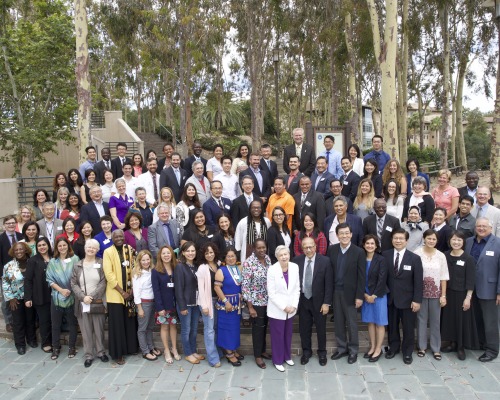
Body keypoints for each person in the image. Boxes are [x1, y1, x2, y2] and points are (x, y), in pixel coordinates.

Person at [383, 228, 423, 365]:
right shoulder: (385, 255)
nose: (398, 241)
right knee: (392, 326)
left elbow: (418, 281)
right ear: (392, 240)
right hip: (390, 299)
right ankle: (393, 348)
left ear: (406, 241)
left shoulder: (415, 258)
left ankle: (407, 352)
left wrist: (417, 300)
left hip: (408, 300)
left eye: (401, 239)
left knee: (408, 327)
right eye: (395, 238)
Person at [328, 223, 366, 364]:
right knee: (338, 322)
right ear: (337, 236)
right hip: (336, 292)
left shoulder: (359, 252)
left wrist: (359, 296)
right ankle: (342, 348)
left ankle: (353, 350)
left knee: (352, 323)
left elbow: (362, 277)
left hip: (351, 293)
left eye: (346, 233)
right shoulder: (332, 250)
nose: (344, 236)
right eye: (341, 233)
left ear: (351, 234)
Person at [465, 217, 500, 362]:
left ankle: (492, 350)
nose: (481, 228)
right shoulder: (469, 242)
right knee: (477, 318)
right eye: (479, 226)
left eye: (484, 226)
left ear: (490, 228)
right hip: (471, 288)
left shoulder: (497, 243)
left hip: (490, 289)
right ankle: (480, 343)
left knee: (491, 321)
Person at [294, 237, 332, 366]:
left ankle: (322, 353)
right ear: (302, 248)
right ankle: (306, 352)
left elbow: (329, 284)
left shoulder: (325, 261)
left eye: (311, 246)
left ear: (315, 247)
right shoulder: (297, 261)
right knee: (304, 329)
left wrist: (326, 303)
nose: (308, 249)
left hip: (320, 302)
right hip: (304, 300)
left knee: (321, 328)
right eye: (305, 247)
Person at [70, 239, 108, 367]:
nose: (91, 249)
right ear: (85, 248)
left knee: (99, 329)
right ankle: (88, 355)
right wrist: (82, 297)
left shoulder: (101, 263)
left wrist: (91, 296)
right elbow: (73, 283)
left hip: (97, 302)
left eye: (94, 248)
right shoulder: (77, 265)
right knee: (86, 330)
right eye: (89, 247)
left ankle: (101, 352)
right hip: (82, 303)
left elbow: (103, 282)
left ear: (97, 250)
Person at [441, 230, 479, 360]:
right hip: (448, 293)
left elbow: (471, 280)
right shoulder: (444, 256)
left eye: (459, 240)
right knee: (449, 319)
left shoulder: (468, 259)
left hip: (462, 294)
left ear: (463, 242)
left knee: (461, 320)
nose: (456, 242)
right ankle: (452, 343)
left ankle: (461, 346)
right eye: (454, 239)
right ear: (449, 241)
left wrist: (468, 298)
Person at [103, 230, 138, 365]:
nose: (118, 238)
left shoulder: (129, 249)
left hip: (130, 293)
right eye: (116, 236)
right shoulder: (108, 252)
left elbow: (135, 268)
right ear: (112, 238)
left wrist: (132, 290)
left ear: (124, 237)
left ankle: (131, 348)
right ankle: (118, 354)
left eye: (120, 236)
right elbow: (109, 274)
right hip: (115, 295)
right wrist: (122, 292)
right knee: (117, 325)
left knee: (129, 322)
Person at [414, 229, 449, 361]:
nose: (431, 241)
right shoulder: (417, 254)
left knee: (435, 321)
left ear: (437, 241)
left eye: (434, 239)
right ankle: (421, 347)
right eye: (429, 238)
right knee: (421, 320)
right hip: (420, 293)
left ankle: (436, 348)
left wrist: (443, 295)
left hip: (436, 293)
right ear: (424, 239)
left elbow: (444, 277)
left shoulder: (441, 256)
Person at [266, 245, 300, 372]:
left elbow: (297, 288)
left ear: (289, 254)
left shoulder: (295, 267)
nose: (284, 257)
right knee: (277, 335)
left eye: (286, 254)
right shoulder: (272, 270)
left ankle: (287, 356)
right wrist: (284, 307)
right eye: (281, 255)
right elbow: (271, 293)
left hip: (291, 309)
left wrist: (294, 305)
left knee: (288, 334)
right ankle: (277, 360)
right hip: (277, 310)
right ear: (277, 257)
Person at [241, 239, 273, 369]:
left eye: (263, 247)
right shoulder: (249, 263)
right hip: (256, 302)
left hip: (268, 301)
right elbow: (245, 286)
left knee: (264, 327)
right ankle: (257, 356)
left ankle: (263, 350)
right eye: (259, 248)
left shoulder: (268, 259)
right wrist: (250, 307)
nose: (261, 250)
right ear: (254, 248)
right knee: (258, 329)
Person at [46, 237, 79, 360]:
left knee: (72, 324)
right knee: (55, 325)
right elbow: (49, 279)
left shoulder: (75, 259)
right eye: (59, 246)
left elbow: (78, 276)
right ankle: (56, 348)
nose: (62, 248)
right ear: (56, 248)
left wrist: (70, 290)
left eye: (64, 245)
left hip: (72, 296)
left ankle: (72, 347)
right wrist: (61, 290)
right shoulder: (53, 262)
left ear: (68, 246)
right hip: (57, 297)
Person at [2, 242, 35, 355]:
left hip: (30, 297)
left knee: (30, 320)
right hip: (16, 299)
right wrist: (10, 298)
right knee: (18, 322)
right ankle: (20, 345)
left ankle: (31, 339)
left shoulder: (32, 262)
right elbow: (5, 283)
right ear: (13, 252)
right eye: (16, 250)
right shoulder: (9, 266)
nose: (19, 251)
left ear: (25, 249)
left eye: (21, 249)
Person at [360, 235, 388, 363]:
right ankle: (372, 347)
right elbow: (358, 278)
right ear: (364, 245)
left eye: (372, 243)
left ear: (376, 246)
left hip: (379, 296)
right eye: (367, 243)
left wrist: (374, 295)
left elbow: (382, 279)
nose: (370, 246)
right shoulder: (361, 258)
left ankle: (378, 349)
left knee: (379, 323)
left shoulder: (381, 259)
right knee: (370, 322)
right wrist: (365, 295)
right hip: (366, 295)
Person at [175, 242, 203, 364]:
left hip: (196, 302)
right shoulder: (180, 267)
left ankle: (193, 351)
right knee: (186, 330)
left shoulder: (197, 266)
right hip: (185, 304)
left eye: (193, 251)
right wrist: (182, 306)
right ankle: (188, 353)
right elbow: (178, 289)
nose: (190, 253)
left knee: (194, 329)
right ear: (183, 252)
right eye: (188, 251)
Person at [151, 245, 181, 364]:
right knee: (164, 327)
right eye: (163, 253)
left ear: (172, 254)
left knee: (173, 326)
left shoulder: (176, 268)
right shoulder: (156, 271)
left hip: (175, 303)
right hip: (163, 305)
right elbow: (156, 290)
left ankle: (174, 348)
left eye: (168, 253)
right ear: (160, 256)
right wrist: (159, 307)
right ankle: (167, 350)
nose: (166, 255)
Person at [24, 237, 53, 353]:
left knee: (53, 320)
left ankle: (54, 341)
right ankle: (46, 343)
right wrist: (28, 297)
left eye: (44, 245)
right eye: (39, 245)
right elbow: (28, 280)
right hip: (40, 295)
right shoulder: (33, 261)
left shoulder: (54, 258)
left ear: (48, 245)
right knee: (44, 320)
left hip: (54, 294)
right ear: (37, 247)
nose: (42, 247)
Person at [196, 243, 222, 368]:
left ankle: (218, 352)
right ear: (203, 255)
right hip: (207, 301)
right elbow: (200, 289)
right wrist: (204, 306)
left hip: (218, 301)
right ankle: (213, 358)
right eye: (207, 253)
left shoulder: (219, 264)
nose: (209, 255)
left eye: (211, 252)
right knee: (209, 330)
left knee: (216, 328)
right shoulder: (202, 268)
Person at [132, 250, 161, 361]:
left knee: (150, 327)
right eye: (143, 260)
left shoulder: (152, 271)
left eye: (147, 259)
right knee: (142, 329)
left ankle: (151, 347)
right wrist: (139, 308)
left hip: (153, 302)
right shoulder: (137, 274)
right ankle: (145, 351)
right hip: (144, 303)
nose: (146, 262)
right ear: (139, 261)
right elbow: (136, 292)